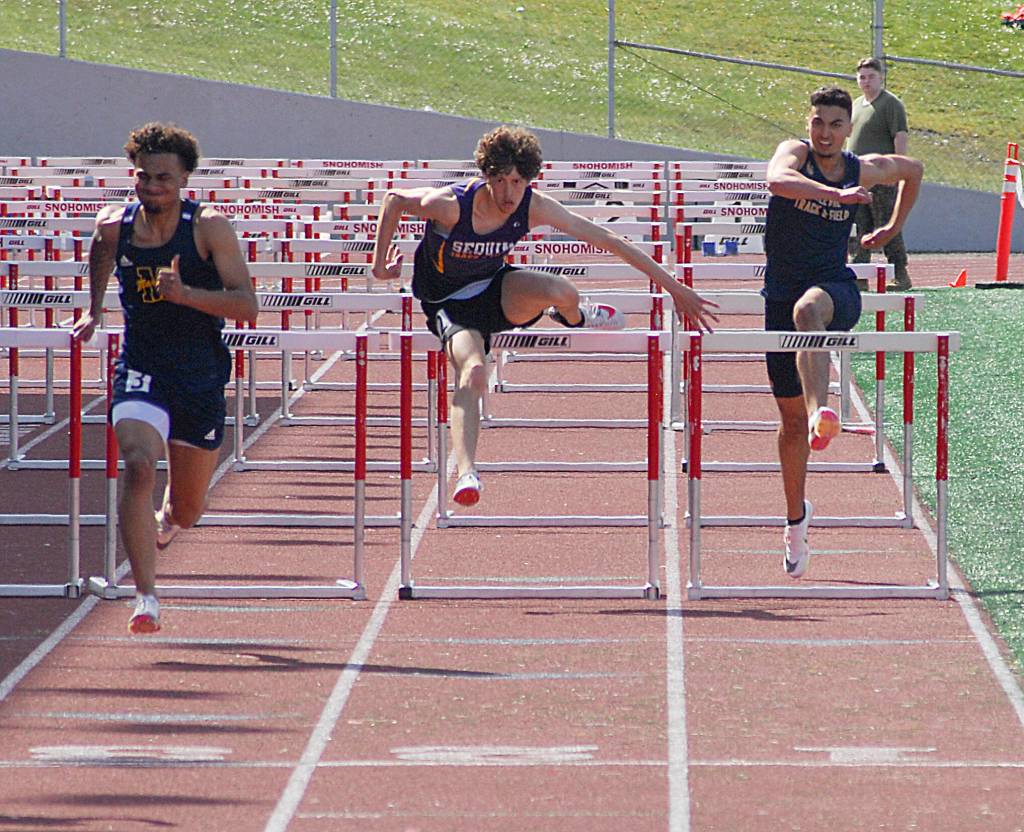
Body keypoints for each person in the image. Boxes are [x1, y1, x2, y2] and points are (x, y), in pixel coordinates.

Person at [372, 125, 717, 507]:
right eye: (500, 181)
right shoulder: (452, 205)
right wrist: (379, 266)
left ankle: (575, 316)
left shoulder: (532, 206)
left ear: (529, 179)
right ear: (486, 176)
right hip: (448, 303)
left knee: (563, 291)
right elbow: (394, 199)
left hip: (495, 289)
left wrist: (675, 288)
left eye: (517, 181)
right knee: (473, 370)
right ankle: (467, 472)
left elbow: (609, 240)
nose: (508, 193)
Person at [72, 122, 258, 633]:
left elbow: (248, 306)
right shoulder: (114, 225)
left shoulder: (209, 228)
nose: (152, 186)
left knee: (189, 509)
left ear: (184, 181)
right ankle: (146, 595)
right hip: (141, 365)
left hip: (198, 373)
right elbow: (101, 254)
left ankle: (170, 521)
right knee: (136, 465)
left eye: (164, 178)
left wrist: (188, 295)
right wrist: (93, 310)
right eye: (144, 176)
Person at [764, 87, 922, 579]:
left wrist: (891, 228)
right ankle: (795, 521)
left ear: (848, 128)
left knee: (810, 311)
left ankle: (821, 414)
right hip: (779, 293)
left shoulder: (862, 166)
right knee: (787, 428)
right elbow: (776, 180)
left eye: (835, 124)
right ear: (809, 124)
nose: (825, 133)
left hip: (835, 288)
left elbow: (912, 171)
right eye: (818, 123)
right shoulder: (797, 154)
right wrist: (833, 196)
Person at [847, 57, 912, 290]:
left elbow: (900, 136)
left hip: (883, 177)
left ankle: (900, 272)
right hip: (857, 176)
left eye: (871, 76)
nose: (866, 81)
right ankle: (859, 274)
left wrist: (898, 169)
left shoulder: (891, 104)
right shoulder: (855, 105)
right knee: (859, 225)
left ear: (881, 77)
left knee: (886, 224)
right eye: (862, 77)